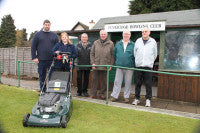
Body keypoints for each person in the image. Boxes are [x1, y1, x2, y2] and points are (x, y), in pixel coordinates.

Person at [31, 19, 59, 92]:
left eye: (48, 25)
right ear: (43, 25)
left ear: (50, 25)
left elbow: (57, 47)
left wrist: (57, 55)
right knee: (42, 76)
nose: (47, 26)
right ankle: (43, 91)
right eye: (46, 25)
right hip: (41, 60)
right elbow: (33, 46)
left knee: (52, 77)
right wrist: (34, 57)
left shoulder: (54, 35)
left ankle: (51, 91)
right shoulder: (37, 34)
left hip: (51, 59)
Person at [132, 27, 157, 107]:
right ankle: (137, 98)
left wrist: (150, 62)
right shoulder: (138, 41)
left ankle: (148, 100)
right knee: (138, 83)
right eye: (143, 32)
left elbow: (155, 54)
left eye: (146, 31)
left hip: (148, 66)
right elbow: (135, 53)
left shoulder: (153, 41)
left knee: (148, 84)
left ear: (149, 32)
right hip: (139, 66)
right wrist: (138, 61)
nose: (144, 33)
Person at [110, 30, 135, 103]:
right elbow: (114, 54)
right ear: (122, 35)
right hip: (119, 66)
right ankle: (115, 96)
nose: (126, 35)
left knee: (128, 82)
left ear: (130, 35)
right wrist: (118, 62)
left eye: (127, 34)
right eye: (125, 34)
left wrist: (131, 63)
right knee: (117, 82)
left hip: (129, 67)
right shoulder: (118, 44)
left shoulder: (133, 44)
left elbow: (135, 56)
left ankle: (126, 97)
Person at [90, 30, 114, 99]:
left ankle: (101, 93)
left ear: (106, 35)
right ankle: (93, 94)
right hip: (96, 65)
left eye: (104, 34)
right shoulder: (95, 42)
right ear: (100, 35)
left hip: (106, 65)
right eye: (102, 34)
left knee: (104, 81)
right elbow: (92, 53)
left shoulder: (111, 43)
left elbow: (112, 55)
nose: (103, 35)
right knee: (94, 80)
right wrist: (93, 63)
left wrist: (111, 64)